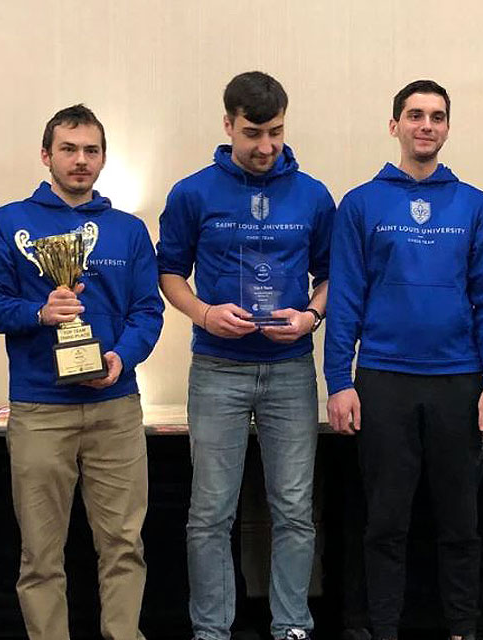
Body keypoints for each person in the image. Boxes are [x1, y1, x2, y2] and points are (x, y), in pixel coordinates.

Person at [325, 80, 483, 640]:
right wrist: (339, 379)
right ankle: (383, 628)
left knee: (461, 523)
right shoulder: (360, 205)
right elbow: (346, 300)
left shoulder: (477, 208)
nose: (425, 125)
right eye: (414, 115)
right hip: (383, 381)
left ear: (448, 128)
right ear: (395, 126)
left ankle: (462, 628)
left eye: (436, 116)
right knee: (384, 522)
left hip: (461, 382)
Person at [0, 104, 164, 640]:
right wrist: (38, 313)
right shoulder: (8, 223)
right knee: (40, 552)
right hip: (39, 409)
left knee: (125, 546)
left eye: (91, 150)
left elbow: (149, 310)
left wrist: (122, 356)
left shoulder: (126, 229)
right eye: (69, 149)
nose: (81, 161)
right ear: (46, 155)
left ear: (103, 157)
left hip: (116, 407)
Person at [156, 71, 335, 640]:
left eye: (277, 132)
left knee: (294, 510)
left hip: (290, 370)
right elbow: (169, 273)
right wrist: (205, 314)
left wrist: (310, 315)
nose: (266, 147)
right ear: (228, 124)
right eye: (253, 132)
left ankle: (292, 626)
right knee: (210, 514)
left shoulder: (313, 194)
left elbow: (333, 276)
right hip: (217, 369)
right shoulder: (191, 193)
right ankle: (211, 630)